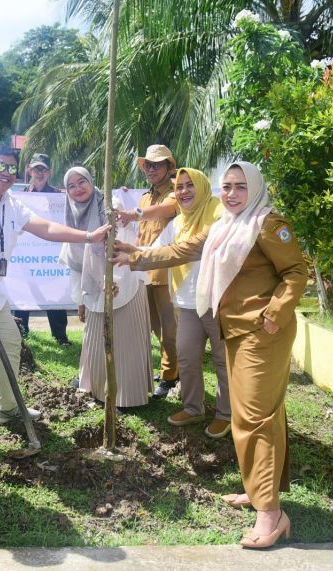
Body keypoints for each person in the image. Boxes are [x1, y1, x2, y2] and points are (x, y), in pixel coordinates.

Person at [113, 161, 307, 549]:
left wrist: (274, 313)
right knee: (256, 414)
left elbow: (296, 272)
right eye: (227, 187)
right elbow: (181, 248)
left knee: (254, 417)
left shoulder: (268, 224)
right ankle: (259, 493)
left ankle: (271, 514)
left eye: (239, 186)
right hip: (234, 329)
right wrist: (135, 256)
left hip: (262, 331)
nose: (232, 193)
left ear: (254, 187)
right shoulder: (223, 226)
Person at [0, 144, 109, 449]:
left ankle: (6, 409)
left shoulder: (9, 203)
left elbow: (44, 227)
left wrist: (88, 236)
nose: (5, 173)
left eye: (11, 168)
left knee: (10, 342)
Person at [117, 168, 231, 437]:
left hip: (218, 300)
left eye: (190, 185)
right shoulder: (178, 222)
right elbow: (158, 249)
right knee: (187, 357)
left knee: (222, 360)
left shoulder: (220, 215)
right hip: (188, 303)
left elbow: (186, 251)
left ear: (202, 186)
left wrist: (136, 258)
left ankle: (226, 414)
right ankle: (193, 408)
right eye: (179, 187)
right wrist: (130, 251)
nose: (184, 191)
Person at [61, 166, 153, 410]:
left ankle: (126, 396)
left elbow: (124, 245)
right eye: (71, 185)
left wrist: (115, 280)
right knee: (95, 339)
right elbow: (74, 264)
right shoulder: (71, 215)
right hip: (93, 289)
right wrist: (80, 298)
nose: (77, 188)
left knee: (125, 340)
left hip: (122, 285)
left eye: (82, 182)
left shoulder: (109, 209)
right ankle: (97, 388)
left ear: (92, 182)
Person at [115, 144, 180, 398]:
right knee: (155, 326)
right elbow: (141, 230)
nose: (151, 169)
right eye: (148, 165)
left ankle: (170, 375)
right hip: (146, 271)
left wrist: (134, 213)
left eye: (157, 164)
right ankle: (171, 370)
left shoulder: (176, 192)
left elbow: (165, 210)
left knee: (170, 327)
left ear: (169, 167)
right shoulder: (144, 196)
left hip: (168, 270)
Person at [12, 153, 70, 346]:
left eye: (43, 169)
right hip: (24, 257)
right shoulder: (19, 197)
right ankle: (22, 335)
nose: (40, 173)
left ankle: (60, 337)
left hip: (50, 257)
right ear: (29, 170)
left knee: (55, 294)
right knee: (22, 294)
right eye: (36, 169)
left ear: (49, 172)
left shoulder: (60, 197)